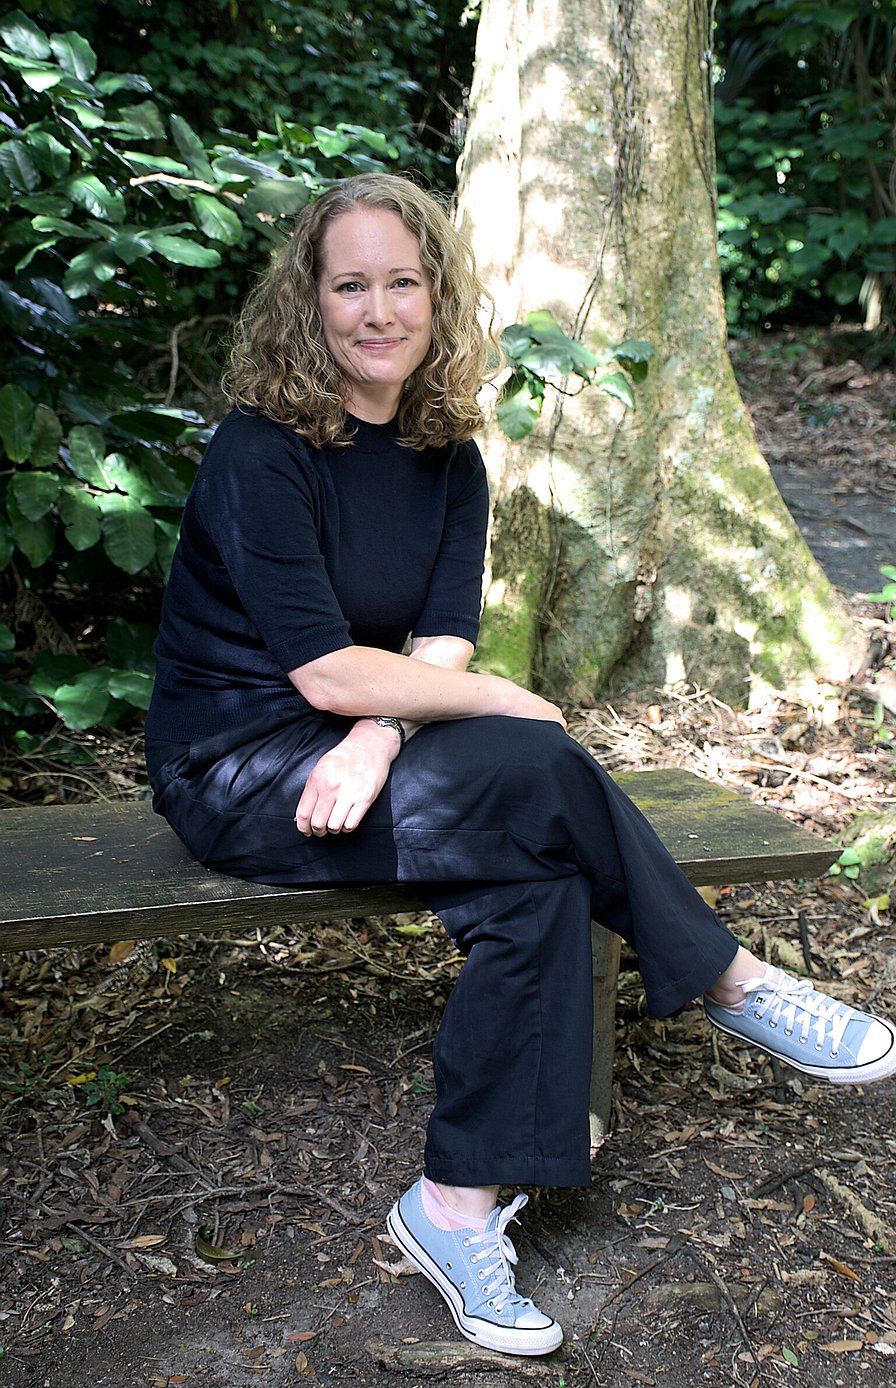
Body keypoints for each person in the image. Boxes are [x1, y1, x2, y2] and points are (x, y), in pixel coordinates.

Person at [145, 172, 896, 1358]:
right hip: (234, 766)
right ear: (309, 302)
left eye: (404, 282)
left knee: (539, 874)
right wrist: (478, 697)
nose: (378, 309)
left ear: (438, 298)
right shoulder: (260, 449)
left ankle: (451, 1205)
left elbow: (428, 641)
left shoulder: (450, 457)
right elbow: (331, 668)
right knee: (536, 760)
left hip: (349, 745)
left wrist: (387, 730)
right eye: (351, 284)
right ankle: (727, 978)